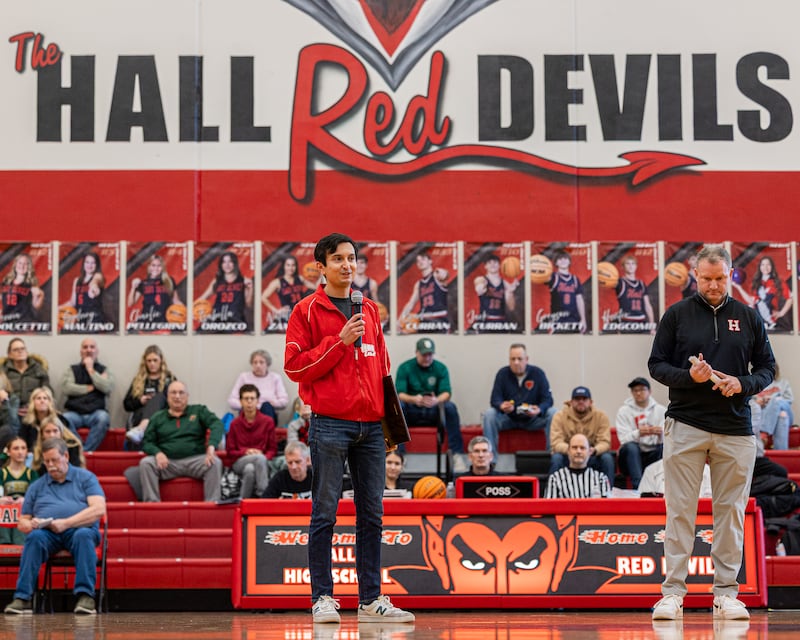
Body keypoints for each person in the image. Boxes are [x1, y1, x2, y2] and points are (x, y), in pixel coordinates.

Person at [283, 232, 414, 624]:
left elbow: (382, 368)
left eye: (352, 258)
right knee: (324, 513)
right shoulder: (305, 311)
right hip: (330, 425)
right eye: (338, 259)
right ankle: (322, 597)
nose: (347, 265)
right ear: (320, 267)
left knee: (371, 514)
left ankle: (371, 600)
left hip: (372, 428)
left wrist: (388, 421)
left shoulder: (370, 309)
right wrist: (338, 343)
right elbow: (294, 367)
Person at [648, 243, 775, 621]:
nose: (714, 285)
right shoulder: (676, 315)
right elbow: (656, 365)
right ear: (695, 276)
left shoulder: (750, 317)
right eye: (707, 279)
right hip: (685, 424)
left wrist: (742, 384)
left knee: (730, 514)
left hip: (736, 428)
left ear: (731, 274)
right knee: (680, 513)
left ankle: (726, 594)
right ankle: (672, 594)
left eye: (720, 278)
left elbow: (768, 368)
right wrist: (690, 376)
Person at [3, 438, 105, 615]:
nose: (50, 465)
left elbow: (98, 509)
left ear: (65, 456)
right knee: (34, 537)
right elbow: (23, 521)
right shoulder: (37, 486)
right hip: (48, 532)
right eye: (47, 461)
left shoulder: (86, 478)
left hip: (79, 529)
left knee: (83, 535)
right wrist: (30, 524)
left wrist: (66, 523)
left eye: (54, 460)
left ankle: (85, 597)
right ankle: (23, 598)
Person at [138, 380, 223, 502]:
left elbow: (217, 424)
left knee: (215, 463)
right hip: (168, 463)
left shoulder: (198, 411)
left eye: (181, 392)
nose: (177, 396)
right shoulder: (158, 417)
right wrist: (157, 453)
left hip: (196, 461)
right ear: (167, 397)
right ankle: (153, 504)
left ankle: (211, 504)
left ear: (187, 396)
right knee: (146, 463)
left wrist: (211, 446)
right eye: (173, 393)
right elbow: (147, 442)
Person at [396, 338, 466, 473]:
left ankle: (456, 454)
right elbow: (399, 393)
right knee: (398, 406)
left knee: (450, 407)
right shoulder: (405, 368)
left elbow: (447, 393)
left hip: (433, 411)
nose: (427, 358)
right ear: (416, 353)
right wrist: (414, 399)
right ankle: (399, 455)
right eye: (424, 354)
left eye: (430, 354)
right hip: (412, 411)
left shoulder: (441, 368)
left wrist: (436, 400)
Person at [482, 343, 555, 454]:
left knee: (553, 413)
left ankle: (552, 455)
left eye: (519, 359)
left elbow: (548, 400)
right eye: (513, 359)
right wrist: (502, 406)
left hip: (532, 420)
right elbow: (495, 399)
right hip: (509, 419)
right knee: (489, 414)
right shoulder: (502, 374)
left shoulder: (538, 374)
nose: (516, 362)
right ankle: (490, 460)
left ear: (526, 359)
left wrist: (539, 409)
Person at [548, 386, 615, 486]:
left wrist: (594, 450)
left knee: (607, 458)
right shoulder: (559, 416)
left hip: (591, 455)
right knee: (556, 458)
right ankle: (553, 493)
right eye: (577, 399)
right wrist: (572, 450)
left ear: (590, 402)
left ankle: (608, 493)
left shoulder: (601, 416)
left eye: (584, 399)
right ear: (571, 402)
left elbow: (605, 442)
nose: (581, 402)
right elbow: (555, 442)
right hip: (568, 455)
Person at [61, 338, 114, 452]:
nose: (89, 350)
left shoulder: (104, 369)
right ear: (81, 351)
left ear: (97, 351)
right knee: (63, 419)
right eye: (85, 347)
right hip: (75, 413)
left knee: (104, 418)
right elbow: (67, 388)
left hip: (96, 413)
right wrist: (89, 387)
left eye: (92, 347)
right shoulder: (72, 369)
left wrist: (90, 370)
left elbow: (107, 387)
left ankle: (85, 451)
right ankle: (79, 447)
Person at [615, 377, 666, 490]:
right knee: (631, 447)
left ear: (649, 391)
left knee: (664, 447)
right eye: (635, 390)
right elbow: (623, 440)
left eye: (642, 390)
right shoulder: (624, 411)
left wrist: (659, 434)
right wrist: (638, 433)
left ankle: (660, 488)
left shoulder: (661, 410)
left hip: (653, 453)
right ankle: (637, 489)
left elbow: (668, 437)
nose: (638, 393)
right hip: (630, 457)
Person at [226, 384, 276, 499]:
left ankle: (243, 503)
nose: (249, 402)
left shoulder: (268, 421)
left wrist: (264, 458)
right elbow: (230, 452)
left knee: (250, 469)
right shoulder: (234, 424)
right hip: (239, 462)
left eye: (252, 398)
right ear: (241, 401)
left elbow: (272, 449)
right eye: (246, 398)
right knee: (258, 459)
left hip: (262, 463)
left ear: (257, 401)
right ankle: (264, 497)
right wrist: (246, 452)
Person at [123, 345, 176, 446]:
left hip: (162, 417)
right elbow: (126, 404)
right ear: (145, 362)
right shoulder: (139, 380)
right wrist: (140, 401)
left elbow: (177, 402)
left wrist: (155, 402)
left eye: (155, 360)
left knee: (158, 398)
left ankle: (141, 429)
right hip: (139, 415)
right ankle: (140, 431)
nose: (152, 364)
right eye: (149, 361)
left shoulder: (169, 379)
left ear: (161, 361)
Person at [226, 349, 289, 422]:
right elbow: (232, 400)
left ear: (267, 364)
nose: (258, 365)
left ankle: (266, 431)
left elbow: (284, 401)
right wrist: (248, 405)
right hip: (247, 413)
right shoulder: (244, 377)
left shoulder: (275, 378)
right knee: (248, 407)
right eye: (255, 362)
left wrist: (272, 403)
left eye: (261, 362)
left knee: (266, 406)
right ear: (251, 364)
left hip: (267, 413)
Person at [731, 255, 791, 331]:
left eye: (768, 264)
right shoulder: (755, 283)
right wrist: (739, 287)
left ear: (772, 266)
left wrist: (781, 313)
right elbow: (751, 302)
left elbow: (790, 298)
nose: (765, 267)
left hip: (771, 323)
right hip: (756, 323)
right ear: (759, 267)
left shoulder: (778, 282)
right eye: (763, 264)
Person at [544, 433, 611, 498]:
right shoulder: (555, 479)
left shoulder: (601, 479)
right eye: (574, 447)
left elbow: (608, 507)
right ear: (568, 451)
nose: (578, 451)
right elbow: (548, 507)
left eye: (582, 448)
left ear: (590, 451)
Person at [0, 436, 38, 546]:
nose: (20, 452)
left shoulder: (31, 474)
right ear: (8, 452)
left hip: (24, 512)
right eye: (16, 448)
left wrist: (25, 501)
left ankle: (20, 544)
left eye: (23, 448)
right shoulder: (2, 473)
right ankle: (3, 543)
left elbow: (34, 496)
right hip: (4, 512)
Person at [198, 251, 253, 326]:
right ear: (221, 265)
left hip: (236, 321)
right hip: (217, 321)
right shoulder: (217, 281)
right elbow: (202, 298)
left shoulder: (243, 280)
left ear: (235, 263)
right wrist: (198, 310)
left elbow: (248, 305)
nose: (227, 265)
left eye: (230, 262)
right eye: (224, 262)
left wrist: (251, 289)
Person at [398, 251, 449, 332]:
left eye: (423, 259)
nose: (420, 262)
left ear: (430, 261)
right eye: (418, 261)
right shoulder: (419, 284)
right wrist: (400, 319)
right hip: (425, 321)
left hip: (439, 319)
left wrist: (443, 273)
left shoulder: (436, 276)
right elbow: (411, 303)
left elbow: (444, 275)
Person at [2, 338, 50, 419]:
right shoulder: (3, 371)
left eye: (22, 349)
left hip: (35, 410)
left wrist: (33, 406)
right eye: (16, 350)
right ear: (9, 354)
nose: (20, 351)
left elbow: (47, 391)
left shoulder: (38, 369)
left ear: (27, 352)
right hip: (10, 411)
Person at [750, 362, 793, 450]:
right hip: (764, 414)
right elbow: (749, 403)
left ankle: (763, 433)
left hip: (783, 407)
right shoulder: (756, 385)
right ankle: (781, 454)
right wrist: (758, 401)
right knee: (782, 415)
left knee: (777, 401)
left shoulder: (783, 383)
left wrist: (772, 401)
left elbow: (789, 401)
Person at [127, 254, 182, 324]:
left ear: (162, 267)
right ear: (149, 267)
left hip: (165, 321)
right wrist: (133, 288)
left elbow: (176, 301)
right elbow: (130, 303)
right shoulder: (143, 283)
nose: (156, 268)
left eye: (159, 266)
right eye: (153, 265)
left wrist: (186, 312)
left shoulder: (169, 281)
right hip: (147, 321)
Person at [261, 255, 313, 326]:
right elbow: (263, 297)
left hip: (300, 315)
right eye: (288, 265)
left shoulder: (300, 279)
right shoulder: (277, 282)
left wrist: (322, 271)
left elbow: (315, 287)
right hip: (287, 317)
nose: (290, 268)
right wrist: (276, 311)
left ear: (296, 267)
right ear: (284, 266)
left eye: (293, 265)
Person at [60, 251, 106, 325]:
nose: (89, 265)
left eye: (93, 263)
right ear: (83, 264)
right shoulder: (77, 280)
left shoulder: (98, 276)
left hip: (95, 319)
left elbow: (97, 280)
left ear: (96, 265)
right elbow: (73, 302)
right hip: (81, 318)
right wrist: (59, 308)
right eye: (87, 262)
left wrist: (93, 286)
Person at [547, 251, 587, 333]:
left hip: (573, 320)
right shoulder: (553, 277)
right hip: (557, 320)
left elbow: (579, 300)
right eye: (560, 259)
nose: (563, 261)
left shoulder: (575, 280)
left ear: (569, 261)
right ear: (556, 263)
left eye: (565, 259)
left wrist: (583, 319)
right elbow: (543, 278)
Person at [473, 254, 517, 324]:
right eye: (489, 263)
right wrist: (480, 287)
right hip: (485, 321)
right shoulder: (482, 279)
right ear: (485, 266)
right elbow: (479, 287)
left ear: (500, 265)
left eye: (495, 262)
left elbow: (511, 307)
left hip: (501, 321)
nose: (492, 265)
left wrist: (510, 292)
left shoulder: (505, 284)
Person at [19, 387, 65, 454]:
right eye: (38, 398)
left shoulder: (60, 419)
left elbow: (68, 438)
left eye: (45, 398)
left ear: (50, 401)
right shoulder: (26, 422)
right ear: (33, 402)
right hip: (33, 455)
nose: (42, 401)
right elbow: (22, 442)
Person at [614, 255, 655, 331]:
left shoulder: (641, 284)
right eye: (628, 263)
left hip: (641, 322)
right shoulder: (620, 282)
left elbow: (648, 306)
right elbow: (610, 283)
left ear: (636, 266)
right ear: (623, 267)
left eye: (633, 263)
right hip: (626, 322)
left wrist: (652, 326)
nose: (630, 266)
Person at [1, 254, 44, 323]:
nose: (22, 266)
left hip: (23, 322)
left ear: (29, 267)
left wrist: (40, 296)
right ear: (15, 265)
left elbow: (36, 308)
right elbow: (3, 300)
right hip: (7, 321)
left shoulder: (31, 285)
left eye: (25, 264)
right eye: (20, 263)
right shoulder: (6, 282)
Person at [0, 371, 20, 447]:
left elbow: (13, 424)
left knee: (7, 429)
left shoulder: (13, 399)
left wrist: (5, 402)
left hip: (6, 436)